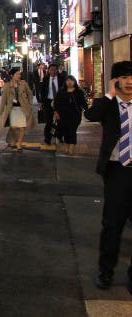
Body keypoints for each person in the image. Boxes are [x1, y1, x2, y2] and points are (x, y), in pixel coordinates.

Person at [85, 61, 132, 292]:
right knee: (112, 225)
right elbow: (91, 114)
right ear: (116, 80)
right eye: (124, 77)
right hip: (116, 170)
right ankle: (106, 272)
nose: (129, 81)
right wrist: (110, 93)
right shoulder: (109, 105)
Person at [0, 68, 34, 152]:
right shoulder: (7, 85)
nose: (19, 76)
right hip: (12, 109)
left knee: (22, 127)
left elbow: (30, 93)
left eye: (19, 74)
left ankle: (19, 143)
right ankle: (14, 139)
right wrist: (1, 110)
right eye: (17, 74)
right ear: (12, 75)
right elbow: (4, 99)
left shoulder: (23, 83)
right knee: (12, 127)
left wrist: (30, 103)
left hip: (22, 108)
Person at [53, 75, 89, 155]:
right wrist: (56, 112)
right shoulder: (61, 91)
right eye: (68, 80)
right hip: (63, 115)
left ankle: (71, 148)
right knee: (65, 131)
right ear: (65, 82)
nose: (69, 82)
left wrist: (88, 111)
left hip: (75, 115)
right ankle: (66, 147)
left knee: (72, 131)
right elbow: (56, 103)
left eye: (71, 80)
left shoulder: (78, 92)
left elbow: (83, 103)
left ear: (74, 82)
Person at [42, 63, 67, 145]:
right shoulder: (45, 79)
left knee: (61, 120)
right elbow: (42, 91)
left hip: (59, 102)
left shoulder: (62, 78)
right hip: (48, 101)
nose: (53, 71)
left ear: (57, 70)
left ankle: (60, 137)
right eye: (51, 70)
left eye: (55, 70)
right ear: (48, 70)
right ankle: (47, 138)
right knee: (48, 121)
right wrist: (42, 101)